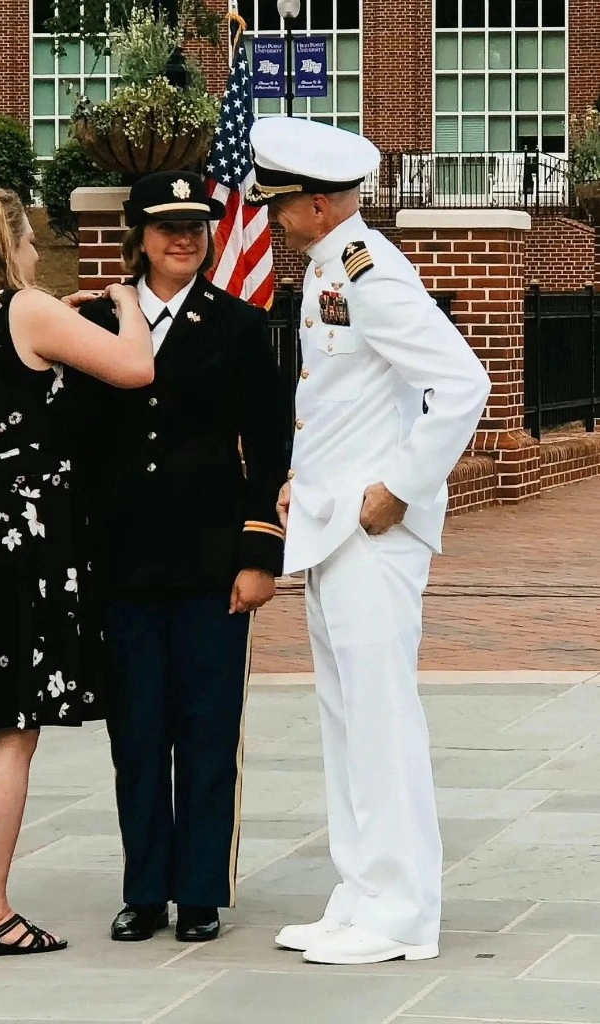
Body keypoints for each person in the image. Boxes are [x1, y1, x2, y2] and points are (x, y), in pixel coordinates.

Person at [245, 118, 491, 966]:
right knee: (346, 718)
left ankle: (400, 913)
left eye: (279, 207)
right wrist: (304, 479)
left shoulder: (369, 272)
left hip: (372, 530)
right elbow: (341, 396)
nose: (271, 221)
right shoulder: (329, 268)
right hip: (333, 519)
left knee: (379, 720)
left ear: (317, 206)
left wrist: (400, 488)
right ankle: (359, 892)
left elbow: (461, 383)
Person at [0, 188, 152, 958]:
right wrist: (123, 300)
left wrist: (62, 314)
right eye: (27, 235)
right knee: (13, 725)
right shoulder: (27, 309)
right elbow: (134, 368)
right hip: (15, 538)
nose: (32, 247)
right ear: (6, 239)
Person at [78, 170, 289, 944]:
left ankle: (199, 890)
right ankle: (144, 889)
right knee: (135, 731)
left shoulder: (237, 324)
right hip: (124, 559)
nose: (183, 239)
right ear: (137, 233)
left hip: (209, 559)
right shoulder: (97, 320)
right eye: (167, 225)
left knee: (206, 726)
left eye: (196, 226)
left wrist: (259, 554)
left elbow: (269, 449)